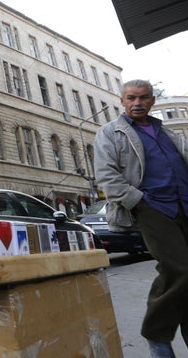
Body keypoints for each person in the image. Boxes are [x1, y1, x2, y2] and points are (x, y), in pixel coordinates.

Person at [94, 79, 188, 358]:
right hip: (153, 207)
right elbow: (107, 177)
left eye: (144, 97)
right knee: (178, 268)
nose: (138, 103)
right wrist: (140, 201)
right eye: (131, 98)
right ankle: (157, 336)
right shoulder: (111, 133)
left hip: (184, 204)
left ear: (152, 101)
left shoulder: (168, 134)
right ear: (122, 101)